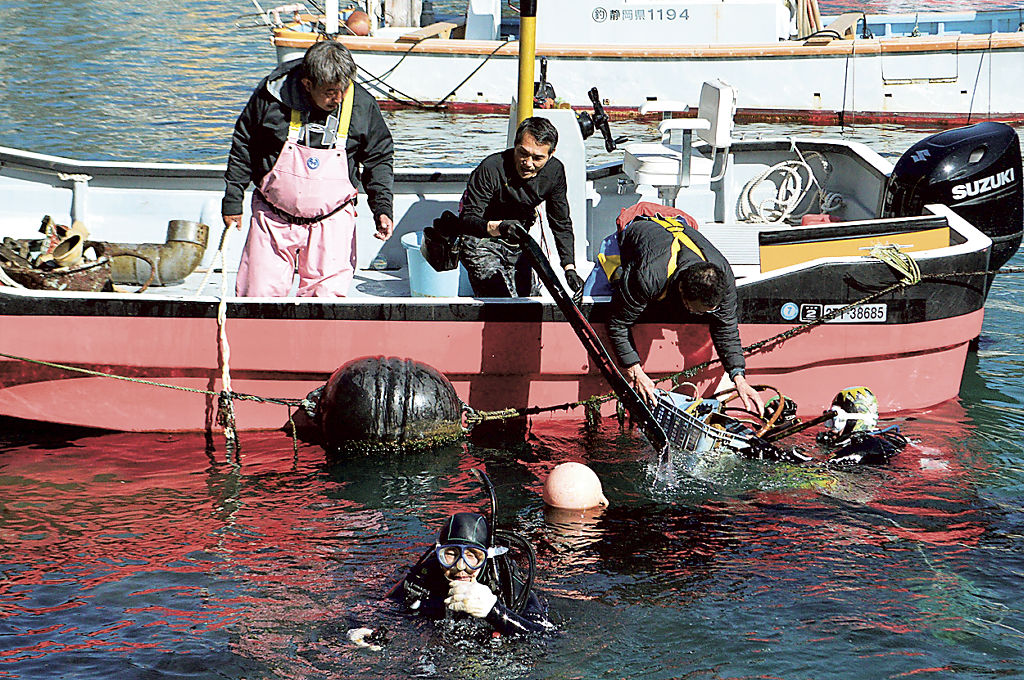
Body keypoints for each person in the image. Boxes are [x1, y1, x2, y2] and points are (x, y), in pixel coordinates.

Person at [222, 41, 394, 297]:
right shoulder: (270, 97)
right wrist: (233, 200)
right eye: (329, 92)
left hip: (332, 222)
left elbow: (378, 158)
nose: (338, 99)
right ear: (307, 84)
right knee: (257, 296)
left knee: (325, 301)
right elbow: (244, 143)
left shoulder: (362, 104)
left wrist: (382, 207)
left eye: (343, 90)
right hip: (273, 218)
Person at [606, 208, 763, 414]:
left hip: (680, 231)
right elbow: (617, 324)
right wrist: (636, 370)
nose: (702, 316)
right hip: (639, 235)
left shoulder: (723, 277)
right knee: (620, 281)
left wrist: (739, 378)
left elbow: (726, 328)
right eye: (697, 311)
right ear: (682, 291)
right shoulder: (648, 277)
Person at [347, 512, 553, 647]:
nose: (461, 566)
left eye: (473, 555)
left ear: (487, 557)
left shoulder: (506, 581)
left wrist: (495, 611)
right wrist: (360, 630)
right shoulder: (426, 578)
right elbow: (381, 608)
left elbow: (547, 636)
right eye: (451, 554)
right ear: (439, 554)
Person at [454, 117, 583, 298]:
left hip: (518, 239)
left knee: (529, 297)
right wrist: (500, 227)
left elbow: (560, 222)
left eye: (538, 158)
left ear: (551, 154)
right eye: (523, 153)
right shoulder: (491, 168)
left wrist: (569, 267)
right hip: (482, 238)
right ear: (515, 145)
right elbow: (467, 220)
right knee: (500, 295)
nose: (528, 163)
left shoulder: (554, 172)